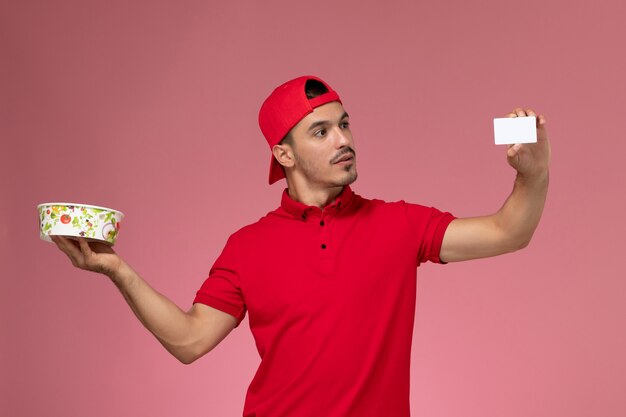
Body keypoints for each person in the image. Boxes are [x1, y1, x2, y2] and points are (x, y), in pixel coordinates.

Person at [51, 75, 550, 417]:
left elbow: (510, 231)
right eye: (322, 131)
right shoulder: (247, 247)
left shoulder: (399, 223)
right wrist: (117, 269)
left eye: (345, 124)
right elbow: (189, 341)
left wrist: (534, 173)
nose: (343, 140)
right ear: (283, 153)